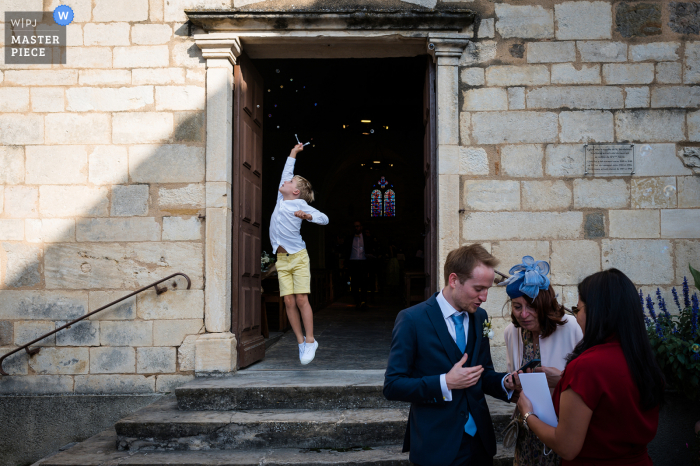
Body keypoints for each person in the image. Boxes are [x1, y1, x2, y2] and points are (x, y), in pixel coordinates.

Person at [384, 244, 519, 466]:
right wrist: (444, 382)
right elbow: (392, 385)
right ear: (454, 280)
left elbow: (482, 372)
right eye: (478, 289)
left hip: (479, 445)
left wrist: (506, 382)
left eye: (487, 289)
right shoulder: (412, 319)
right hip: (436, 445)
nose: (484, 297)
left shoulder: (480, 316)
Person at [515, 269, 665, 465]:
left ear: (597, 312)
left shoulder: (587, 367)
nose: (577, 318)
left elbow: (566, 447)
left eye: (578, 309)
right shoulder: (641, 358)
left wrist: (528, 414)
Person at [501, 256, 583, 466]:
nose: (523, 314)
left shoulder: (571, 327)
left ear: (545, 304)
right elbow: (513, 381)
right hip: (527, 427)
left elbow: (588, 381)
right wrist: (511, 384)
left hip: (563, 426)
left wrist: (561, 378)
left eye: (531, 306)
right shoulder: (513, 332)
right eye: (517, 307)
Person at [270, 143, 329, 365]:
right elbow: (286, 172)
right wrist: (294, 153)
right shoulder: (280, 200)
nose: (284, 181)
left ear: (295, 191)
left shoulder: (300, 203)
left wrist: (308, 217)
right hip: (282, 259)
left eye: (290, 182)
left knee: (301, 298)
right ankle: (301, 342)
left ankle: (311, 339)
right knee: (288, 301)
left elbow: (325, 219)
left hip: (299, 257)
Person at [346, 221, 373, 308]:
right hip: (353, 261)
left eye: (357, 226)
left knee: (364, 282)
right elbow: (346, 249)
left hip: (363, 261)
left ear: (361, 227)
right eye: (355, 226)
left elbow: (370, 248)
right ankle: (357, 301)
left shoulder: (366, 238)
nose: (356, 228)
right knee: (354, 283)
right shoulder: (350, 238)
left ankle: (364, 301)